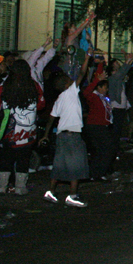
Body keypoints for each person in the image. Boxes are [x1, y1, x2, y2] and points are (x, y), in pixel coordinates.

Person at [40, 52, 92, 207]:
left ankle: (50, 191)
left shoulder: (60, 98)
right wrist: (87, 58)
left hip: (62, 136)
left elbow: (51, 117)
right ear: (66, 85)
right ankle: (72, 196)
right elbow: (82, 73)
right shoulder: (70, 91)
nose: (73, 80)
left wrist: (46, 135)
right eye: (70, 80)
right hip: (72, 135)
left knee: (60, 165)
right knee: (76, 166)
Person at [0, 60, 45, 196]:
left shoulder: (5, 85)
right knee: (23, 158)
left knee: (5, 158)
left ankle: (1, 187)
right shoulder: (34, 86)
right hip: (28, 131)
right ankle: (20, 187)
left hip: (9, 129)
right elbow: (41, 104)